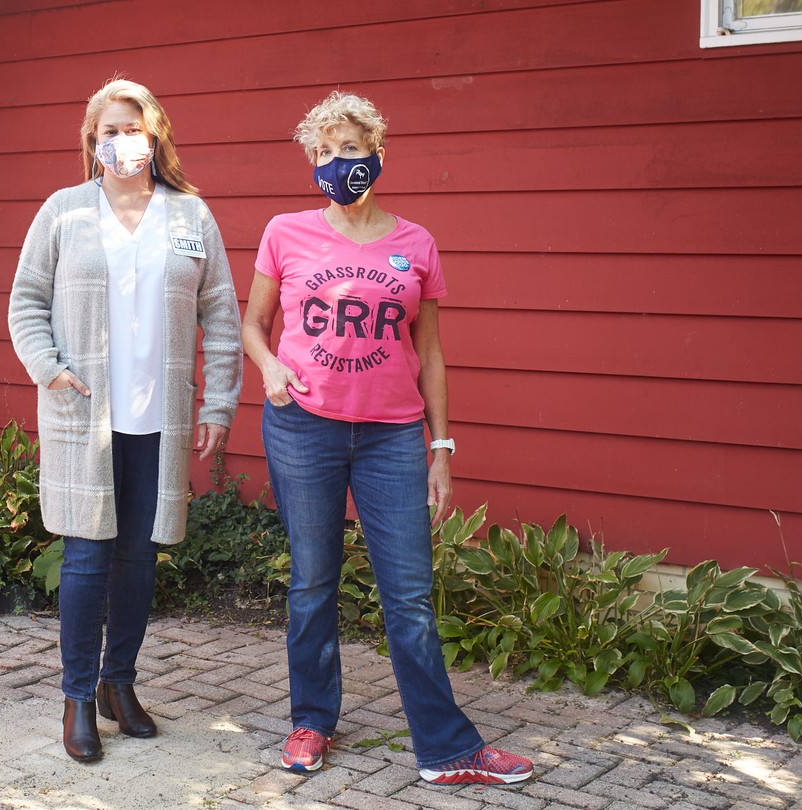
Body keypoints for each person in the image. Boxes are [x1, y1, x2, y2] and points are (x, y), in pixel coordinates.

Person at [241, 92, 535, 785]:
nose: (335, 164)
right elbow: (253, 324)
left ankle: (446, 749)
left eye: (348, 149)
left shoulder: (416, 244)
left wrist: (442, 449)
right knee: (313, 583)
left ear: (375, 154)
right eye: (322, 152)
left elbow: (429, 352)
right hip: (302, 430)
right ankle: (311, 720)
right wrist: (272, 366)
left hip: (392, 437)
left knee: (406, 593)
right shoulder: (285, 232)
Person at [8, 78, 243, 762]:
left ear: (157, 134)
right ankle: (77, 697)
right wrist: (50, 368)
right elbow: (26, 302)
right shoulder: (64, 211)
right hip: (85, 414)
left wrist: (219, 401)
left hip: (159, 418)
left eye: (132, 127)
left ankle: (120, 684)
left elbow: (222, 315)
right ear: (92, 141)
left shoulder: (190, 216)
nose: (120, 141)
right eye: (107, 130)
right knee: (85, 558)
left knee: (138, 559)